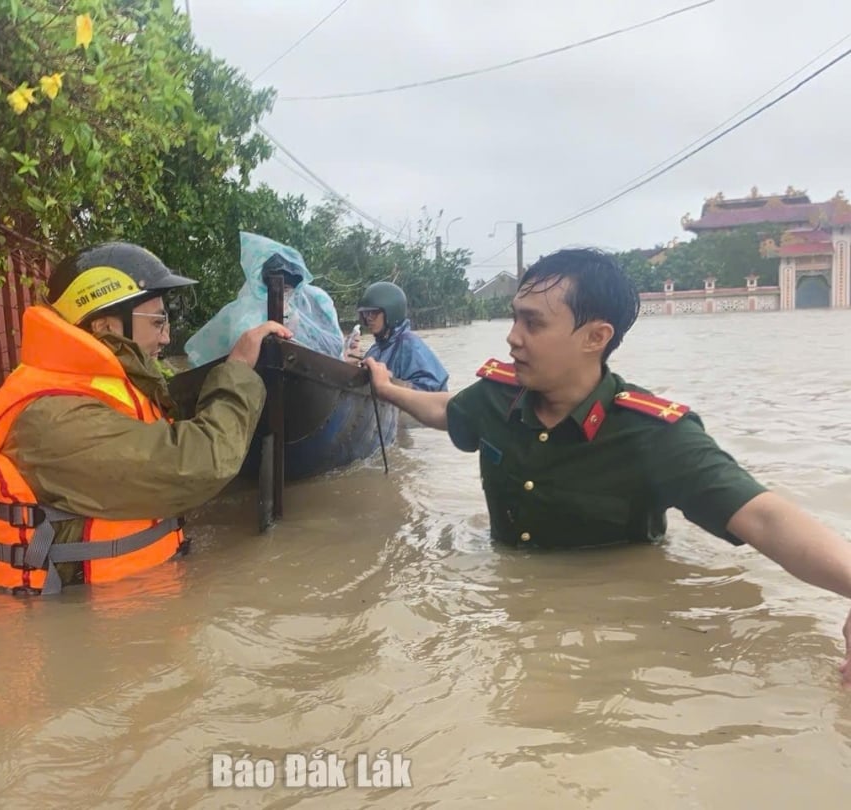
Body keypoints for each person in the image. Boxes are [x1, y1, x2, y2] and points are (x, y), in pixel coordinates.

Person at [363, 247, 851, 684]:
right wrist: (388, 390)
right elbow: (447, 411)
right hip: (510, 620)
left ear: (595, 336)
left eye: (533, 324)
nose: (513, 338)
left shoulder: (653, 433)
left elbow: (764, 516)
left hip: (612, 638)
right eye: (514, 319)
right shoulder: (496, 396)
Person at [0, 241, 291, 596]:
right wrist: (239, 369)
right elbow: (197, 464)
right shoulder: (55, 419)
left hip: (120, 608)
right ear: (106, 326)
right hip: (75, 631)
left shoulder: (92, 388)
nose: (167, 336)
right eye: (157, 321)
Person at [185, 231, 344, 367]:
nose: (284, 294)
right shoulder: (247, 311)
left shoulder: (315, 300)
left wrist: (296, 327)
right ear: (263, 284)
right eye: (279, 288)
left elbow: (334, 346)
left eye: (288, 288)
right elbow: (237, 354)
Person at [353, 281, 449, 392]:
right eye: (366, 313)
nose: (369, 318)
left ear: (391, 312)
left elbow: (433, 392)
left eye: (374, 313)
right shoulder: (375, 349)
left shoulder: (410, 345)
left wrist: (390, 382)